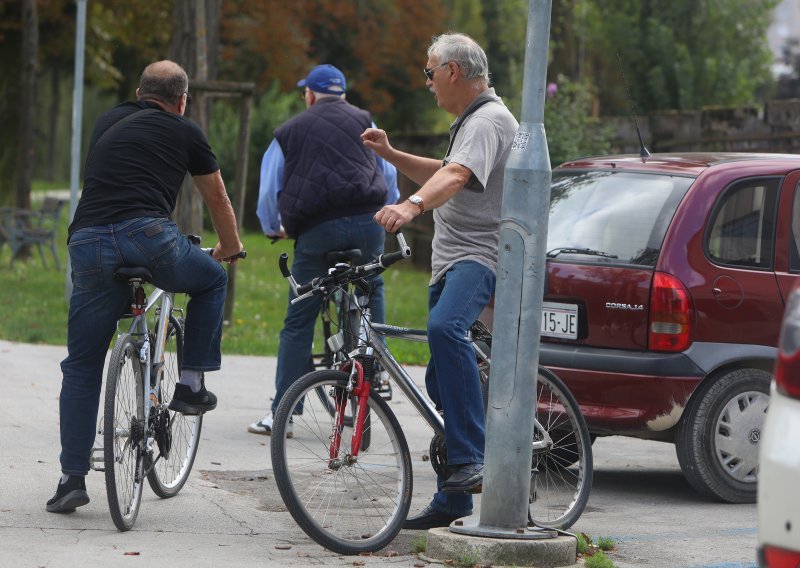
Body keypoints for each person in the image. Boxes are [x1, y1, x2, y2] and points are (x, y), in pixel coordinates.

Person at [47, 60, 244, 514]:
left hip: (89, 238)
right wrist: (230, 247)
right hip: (149, 236)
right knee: (212, 279)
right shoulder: (186, 129)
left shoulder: (108, 121)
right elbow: (217, 196)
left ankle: (71, 479)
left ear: (138, 93)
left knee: (81, 364)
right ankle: (191, 385)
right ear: (182, 101)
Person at [362, 33, 518, 529]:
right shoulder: (469, 123)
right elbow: (447, 170)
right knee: (440, 378)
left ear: (453, 71)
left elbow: (451, 179)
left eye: (429, 73)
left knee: (446, 331)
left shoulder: (490, 119)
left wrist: (411, 205)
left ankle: (474, 459)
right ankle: (454, 501)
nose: (427, 83)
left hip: (481, 256)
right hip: (452, 259)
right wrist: (392, 155)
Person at [248, 64, 399, 436]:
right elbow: (389, 174)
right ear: (343, 94)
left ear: (310, 95)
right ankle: (374, 374)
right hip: (368, 223)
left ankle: (283, 412)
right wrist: (390, 208)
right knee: (371, 288)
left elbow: (270, 188)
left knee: (299, 316)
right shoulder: (366, 120)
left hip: (317, 228)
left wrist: (273, 228)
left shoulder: (289, 131)